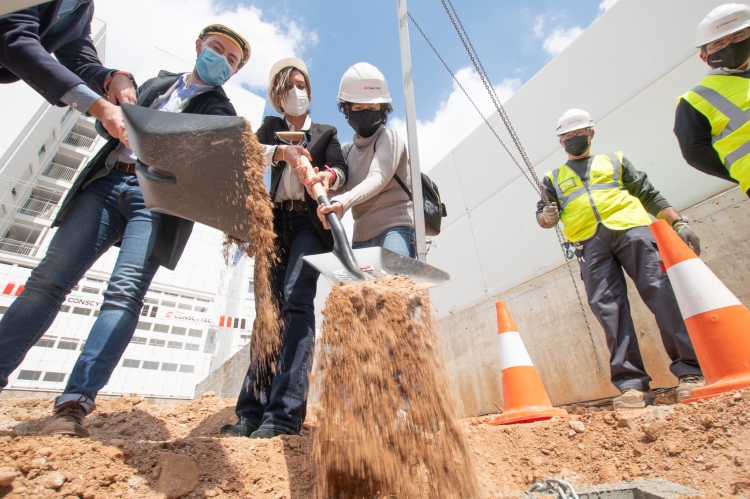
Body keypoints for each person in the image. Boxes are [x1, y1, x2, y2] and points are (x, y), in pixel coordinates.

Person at [0, 20, 250, 437]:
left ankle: (74, 403)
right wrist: (113, 109)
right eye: (216, 48)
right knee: (48, 279)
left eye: (231, 59)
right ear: (198, 44)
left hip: (156, 201)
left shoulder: (221, 112)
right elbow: (105, 125)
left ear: (235, 72)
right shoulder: (156, 84)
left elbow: (207, 163)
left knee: (125, 292)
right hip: (107, 183)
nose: (221, 60)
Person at [537, 109, 704, 407]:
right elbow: (543, 216)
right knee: (609, 311)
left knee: (661, 294)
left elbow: (648, 193)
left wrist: (678, 222)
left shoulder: (614, 161)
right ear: (560, 142)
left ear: (591, 133)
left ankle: (690, 372)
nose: (574, 139)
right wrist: (546, 216)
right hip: (588, 244)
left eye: (579, 133)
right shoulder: (552, 178)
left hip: (633, 231)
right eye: (568, 136)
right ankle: (632, 385)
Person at [220, 58, 348, 439]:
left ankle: (284, 414)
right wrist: (279, 153)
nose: (299, 91)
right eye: (290, 85)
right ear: (278, 95)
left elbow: (341, 170)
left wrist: (328, 175)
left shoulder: (325, 132)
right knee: (268, 312)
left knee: (295, 300)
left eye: (302, 84)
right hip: (273, 223)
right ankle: (250, 412)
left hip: (308, 224)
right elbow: (246, 152)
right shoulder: (271, 130)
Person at [0, 0, 135, 146]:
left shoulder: (85, 8)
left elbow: (79, 60)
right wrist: (100, 108)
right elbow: (15, 39)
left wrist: (114, 78)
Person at [316, 62, 415, 258]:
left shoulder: (389, 138)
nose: (366, 111)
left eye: (372, 106)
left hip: (395, 228)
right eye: (359, 106)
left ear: (382, 109)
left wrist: (343, 202)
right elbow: (339, 183)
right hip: (361, 237)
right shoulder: (347, 151)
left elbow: (377, 177)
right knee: (366, 290)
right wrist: (325, 181)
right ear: (348, 110)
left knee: (394, 285)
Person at [675, 3, 750, 196]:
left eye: (738, 36)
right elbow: (695, 153)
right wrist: (740, 173)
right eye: (718, 43)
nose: (730, 45)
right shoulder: (693, 101)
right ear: (704, 56)